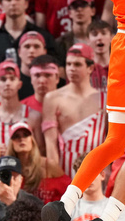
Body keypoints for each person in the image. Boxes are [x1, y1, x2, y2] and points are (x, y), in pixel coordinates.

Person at [42, 44, 106, 179]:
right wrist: (58, 178)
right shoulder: (52, 98)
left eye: (77, 64)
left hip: (97, 169)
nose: (71, 69)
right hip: (65, 170)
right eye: (68, 64)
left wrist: (108, 170)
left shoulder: (104, 99)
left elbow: (108, 140)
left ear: (90, 68)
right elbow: (51, 145)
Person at [0, 60, 42, 147]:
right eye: (3, 79)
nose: (7, 83)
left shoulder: (33, 116)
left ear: (19, 84)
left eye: (12, 79)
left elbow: (40, 151)